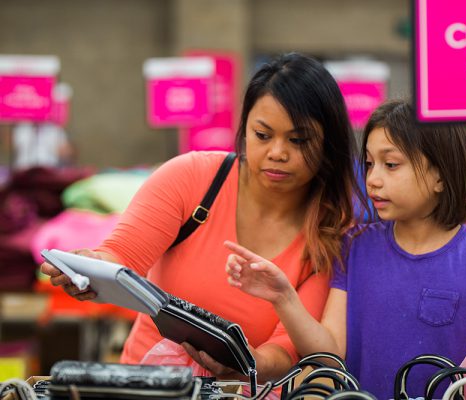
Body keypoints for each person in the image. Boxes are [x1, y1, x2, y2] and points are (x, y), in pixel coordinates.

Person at [40, 52, 366, 383]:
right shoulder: (193, 178)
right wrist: (89, 269)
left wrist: (247, 363)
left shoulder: (332, 229)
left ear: (329, 143)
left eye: (298, 140)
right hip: (148, 386)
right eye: (263, 135)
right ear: (245, 129)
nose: (277, 152)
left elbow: (287, 348)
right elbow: (121, 254)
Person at [224, 99, 466, 399]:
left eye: (391, 165)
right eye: (370, 164)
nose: (372, 179)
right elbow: (330, 353)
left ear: (441, 174)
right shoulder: (355, 247)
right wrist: (283, 297)